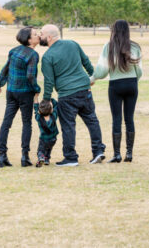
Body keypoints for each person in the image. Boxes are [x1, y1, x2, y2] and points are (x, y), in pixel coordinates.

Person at [40, 24, 106, 167]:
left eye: (42, 34)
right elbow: (86, 61)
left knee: (68, 126)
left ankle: (70, 157)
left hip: (67, 94)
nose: (40, 36)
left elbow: (49, 81)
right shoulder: (73, 44)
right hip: (84, 89)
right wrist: (92, 77)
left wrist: (46, 99)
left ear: (49, 37)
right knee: (92, 120)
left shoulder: (47, 56)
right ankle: (98, 150)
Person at [90, 19, 142, 163]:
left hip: (115, 85)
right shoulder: (135, 47)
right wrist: (133, 82)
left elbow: (102, 70)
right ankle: (129, 153)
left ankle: (117, 154)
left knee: (117, 119)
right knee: (129, 119)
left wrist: (92, 78)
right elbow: (140, 71)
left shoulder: (109, 47)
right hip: (132, 84)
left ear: (113, 30)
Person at [0, 27, 41, 168]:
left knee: (6, 123)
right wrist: (37, 89)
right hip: (25, 92)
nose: (38, 35)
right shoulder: (32, 54)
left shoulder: (13, 51)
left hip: (11, 91)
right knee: (26, 123)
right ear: (29, 39)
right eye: (34, 34)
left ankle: (2, 156)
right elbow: (30, 76)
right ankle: (24, 157)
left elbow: (5, 69)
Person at [33, 94, 59, 167]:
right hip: (53, 139)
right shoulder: (54, 115)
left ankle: (41, 157)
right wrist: (50, 99)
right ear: (51, 110)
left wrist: (36, 98)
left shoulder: (38, 118)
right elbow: (57, 105)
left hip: (43, 139)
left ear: (40, 111)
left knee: (40, 151)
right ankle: (47, 159)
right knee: (49, 149)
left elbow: (35, 109)